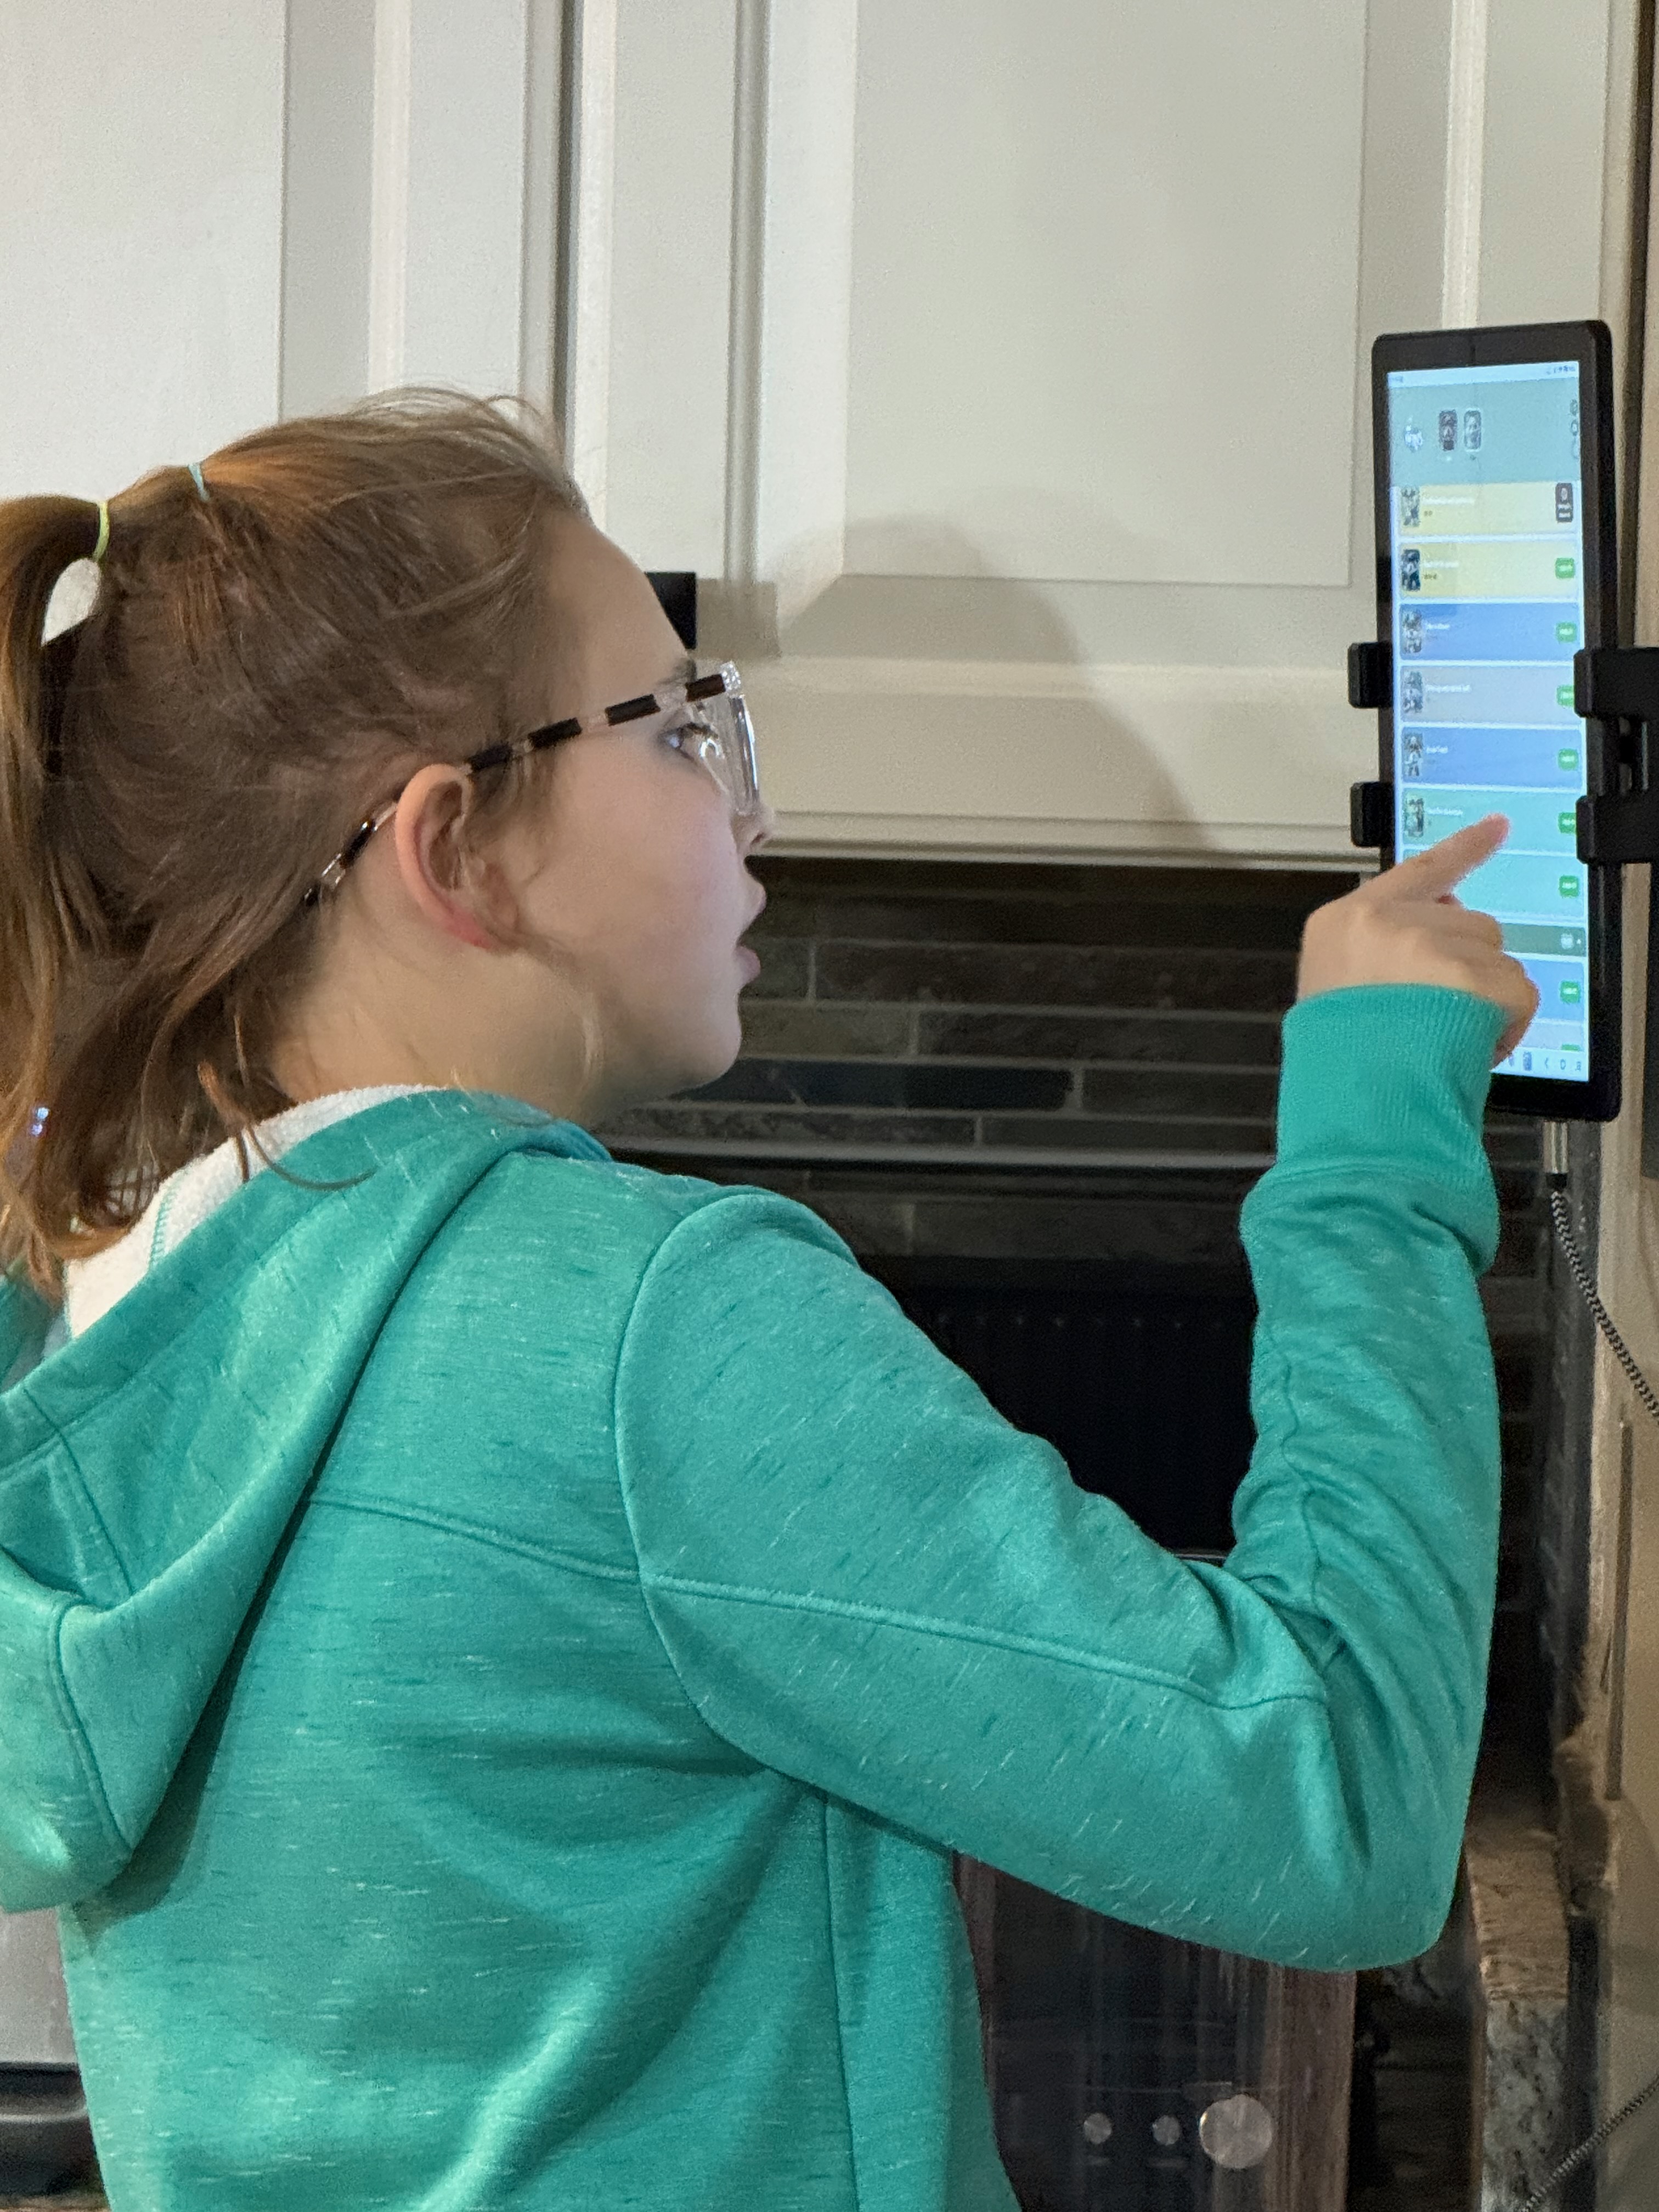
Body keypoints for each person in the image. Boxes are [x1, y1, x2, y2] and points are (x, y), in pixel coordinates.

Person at [0, 392, 1537, 2212]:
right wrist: (1372, 1134)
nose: (749, 806)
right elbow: (1332, 1803)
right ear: (456, 848)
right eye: (678, 729)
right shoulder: (644, 1328)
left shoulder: (103, 1310)